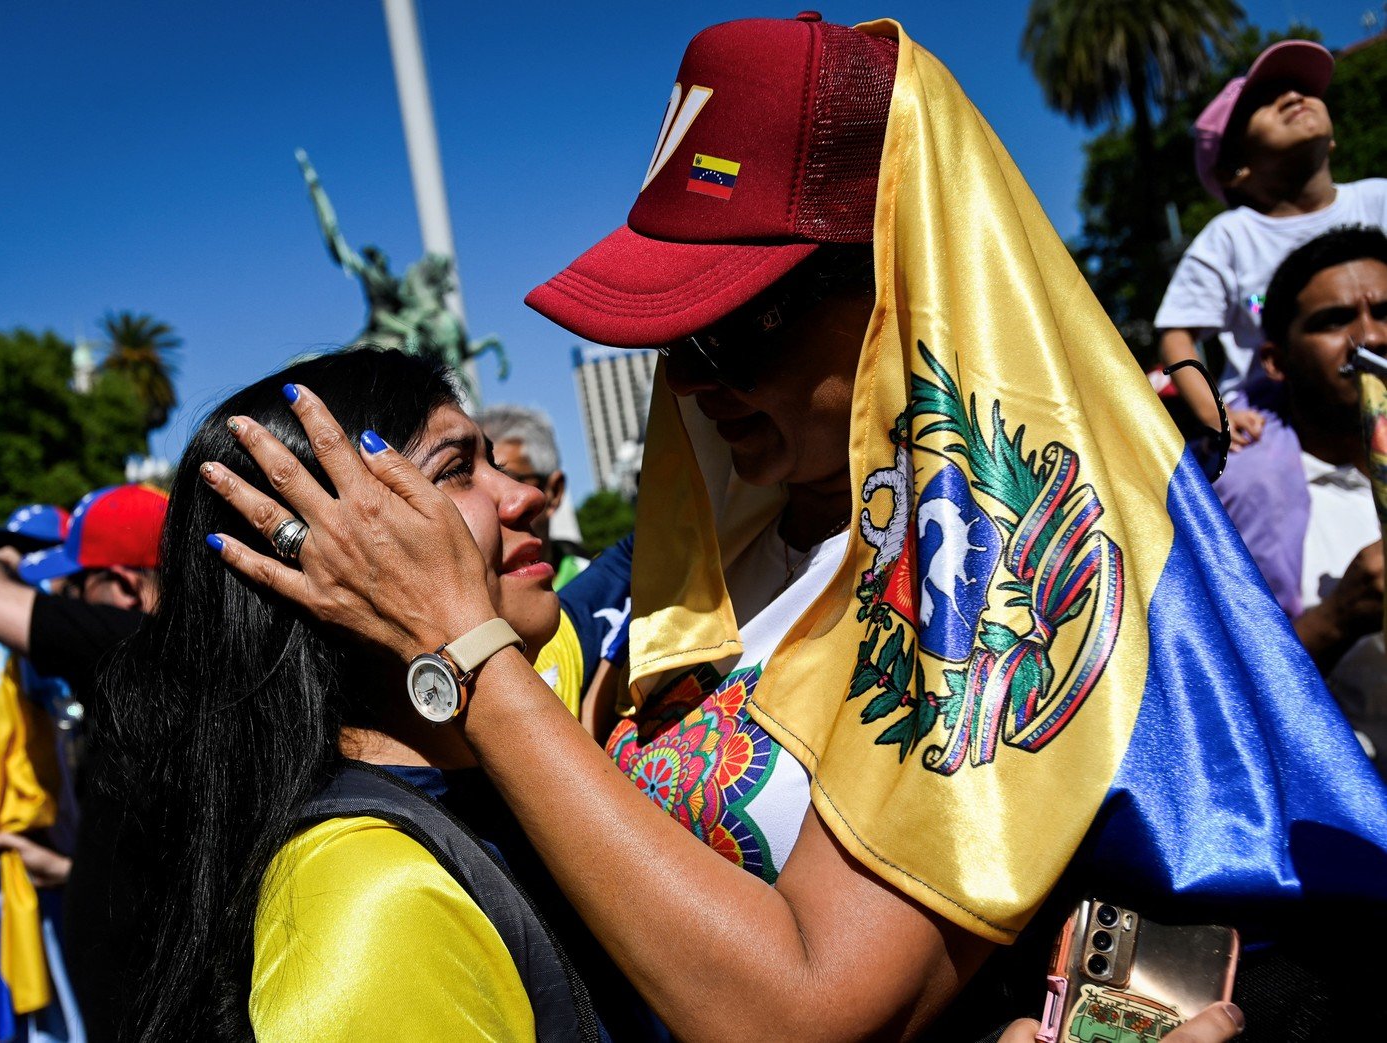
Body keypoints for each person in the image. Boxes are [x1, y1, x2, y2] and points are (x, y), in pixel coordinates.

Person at [210, 15, 1387, 1040]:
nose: (692, 377)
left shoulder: (999, 562)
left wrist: (463, 647)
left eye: (738, 325)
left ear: (906, 283)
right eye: (670, 334)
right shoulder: (695, 571)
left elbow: (804, 1011)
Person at [98, 348, 612, 1040]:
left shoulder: (478, 773)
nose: (525, 497)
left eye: (495, 461)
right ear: (329, 550)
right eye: (456, 469)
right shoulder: (371, 894)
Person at [0, 483, 166, 1042]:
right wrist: (72, 871)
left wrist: (7, 552)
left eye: (76, 587)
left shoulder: (135, 646)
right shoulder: (207, 659)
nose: (67, 601)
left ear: (124, 586)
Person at [1155, 39, 1387, 449]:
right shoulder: (1229, 237)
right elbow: (1176, 335)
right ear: (1232, 169)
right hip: (1276, 415)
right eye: (1264, 100)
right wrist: (1217, 415)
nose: (1294, 96)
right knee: (1257, 482)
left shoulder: (1379, 199)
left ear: (1331, 139)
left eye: (1305, 90)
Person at [1214, 225, 1387, 771]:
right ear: (1275, 361)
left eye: (1385, 312)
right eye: (1334, 321)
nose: (1372, 338)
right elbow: (1216, 712)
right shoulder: (1234, 508)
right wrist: (1338, 617)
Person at [477, 404, 590, 587]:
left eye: (511, 481)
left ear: (554, 492)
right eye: (472, 488)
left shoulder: (612, 594)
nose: (492, 507)